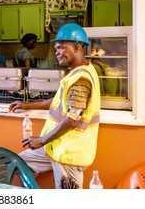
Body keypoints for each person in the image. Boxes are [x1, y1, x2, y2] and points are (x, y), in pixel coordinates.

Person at [9, 23, 101, 189]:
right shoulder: (76, 72)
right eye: (56, 48)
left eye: (61, 48)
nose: (57, 52)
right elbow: (56, 102)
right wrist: (26, 105)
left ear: (77, 47)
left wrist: (41, 140)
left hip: (68, 154)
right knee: (17, 162)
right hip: (54, 146)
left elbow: (72, 119)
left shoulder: (81, 79)